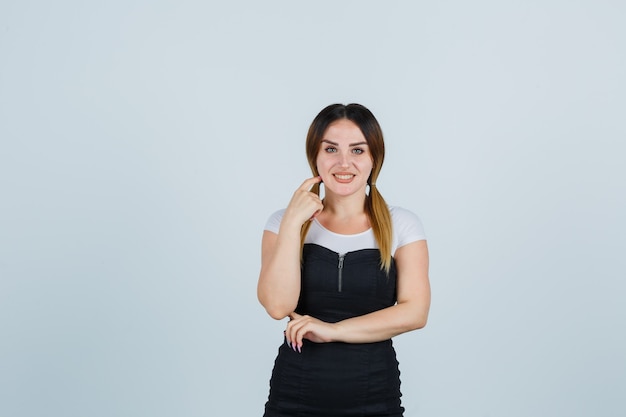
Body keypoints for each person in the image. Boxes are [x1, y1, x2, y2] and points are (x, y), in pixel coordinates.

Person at [257, 103, 431, 417]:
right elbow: (277, 306)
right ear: (315, 156)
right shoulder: (282, 222)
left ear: (374, 159)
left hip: (375, 398)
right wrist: (293, 223)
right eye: (331, 149)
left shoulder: (402, 224)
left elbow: (415, 312)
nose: (343, 162)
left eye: (357, 150)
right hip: (293, 398)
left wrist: (333, 330)